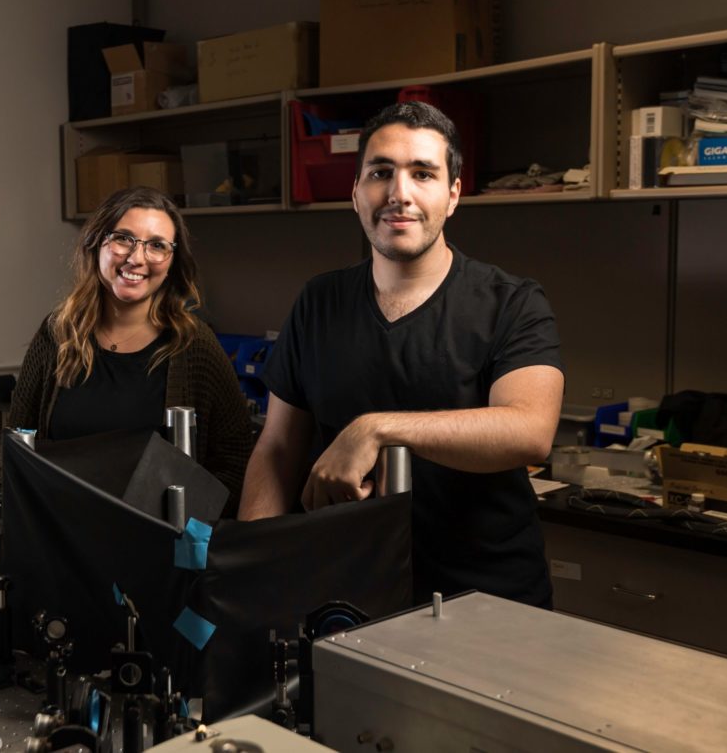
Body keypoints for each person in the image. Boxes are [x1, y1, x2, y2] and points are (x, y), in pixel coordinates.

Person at [238, 101, 564, 607]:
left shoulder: (513, 303)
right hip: (344, 594)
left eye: (423, 173)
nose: (399, 194)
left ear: (452, 195)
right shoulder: (319, 302)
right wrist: (256, 570)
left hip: (485, 602)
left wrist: (375, 430)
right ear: (355, 193)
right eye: (381, 172)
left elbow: (530, 431)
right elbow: (278, 448)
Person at [0, 186, 253, 515]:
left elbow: (237, 458)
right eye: (123, 238)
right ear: (97, 243)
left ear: (171, 263)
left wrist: (191, 523)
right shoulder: (58, 332)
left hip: (156, 549)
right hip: (64, 534)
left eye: (156, 245)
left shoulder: (193, 344)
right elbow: (20, 436)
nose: (136, 258)